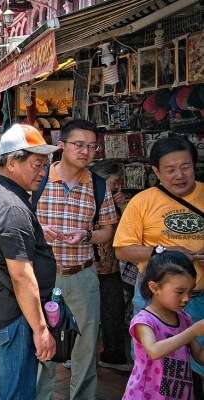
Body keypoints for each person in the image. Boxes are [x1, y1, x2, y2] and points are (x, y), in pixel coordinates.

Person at [35, 119, 120, 400]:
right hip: (45, 276)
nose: (86, 151)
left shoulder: (98, 186)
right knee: (43, 344)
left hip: (83, 276)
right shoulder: (39, 180)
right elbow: (19, 224)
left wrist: (85, 235)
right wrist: (39, 231)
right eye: (79, 145)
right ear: (62, 146)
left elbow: (107, 230)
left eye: (92, 146)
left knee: (85, 347)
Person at [0, 124, 58, 400]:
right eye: (36, 164)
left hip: (2, 312)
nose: (42, 172)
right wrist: (40, 328)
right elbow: (21, 275)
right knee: (15, 391)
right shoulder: (11, 206)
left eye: (44, 164)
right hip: (15, 317)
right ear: (11, 162)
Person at [114, 136, 204, 395]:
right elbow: (122, 250)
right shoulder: (142, 202)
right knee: (156, 371)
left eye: (185, 167)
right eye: (170, 169)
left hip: (199, 299)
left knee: (192, 373)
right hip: (156, 303)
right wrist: (162, 250)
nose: (179, 175)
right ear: (156, 171)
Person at [124, 249, 204, 400]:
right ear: (154, 288)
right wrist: (192, 331)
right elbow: (154, 350)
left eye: (190, 292)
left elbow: (199, 355)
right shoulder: (144, 321)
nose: (186, 298)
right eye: (180, 292)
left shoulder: (184, 318)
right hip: (146, 395)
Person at [90, 161, 132, 372]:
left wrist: (123, 206)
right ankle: (72, 354)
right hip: (88, 267)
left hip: (110, 268)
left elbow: (132, 231)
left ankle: (113, 355)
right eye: (114, 182)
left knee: (113, 311)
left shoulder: (118, 203)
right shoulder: (87, 200)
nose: (117, 187)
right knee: (86, 313)